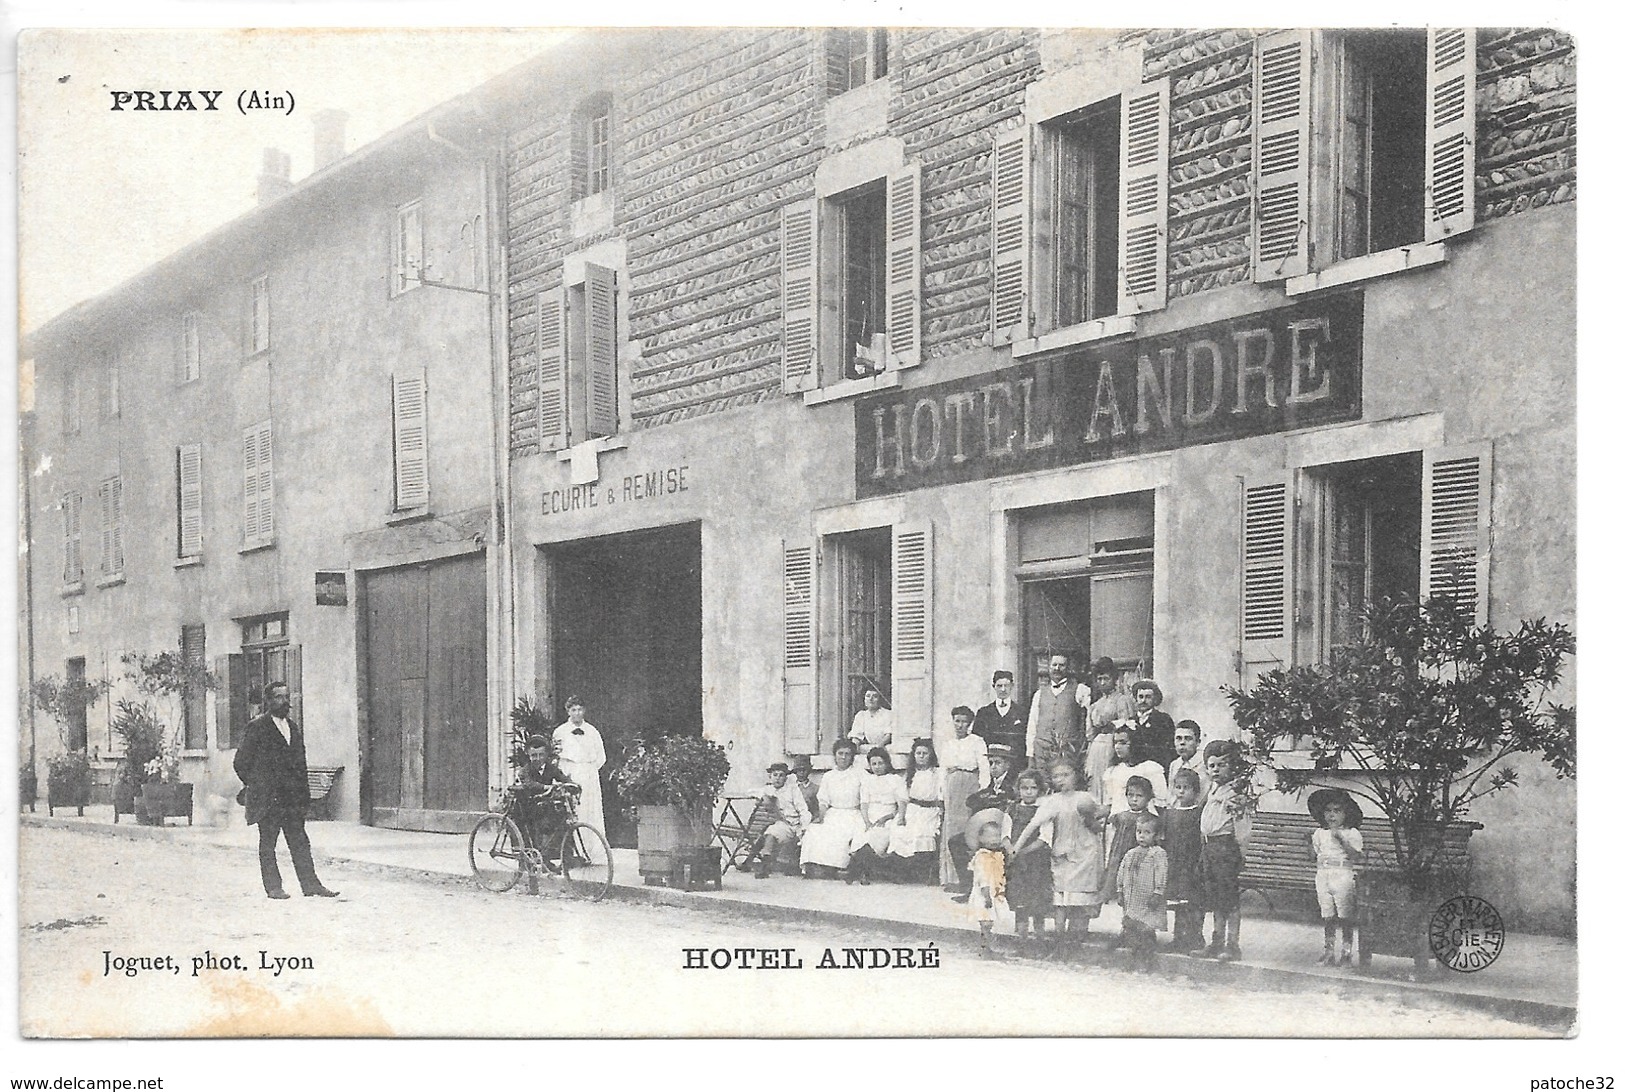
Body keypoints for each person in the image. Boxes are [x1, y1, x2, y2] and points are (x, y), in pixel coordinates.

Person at [232, 682, 339, 899]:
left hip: (291, 799)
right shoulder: (257, 727)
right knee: (268, 843)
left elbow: (300, 763)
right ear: (268, 701)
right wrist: (258, 785)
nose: (284, 701)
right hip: (269, 799)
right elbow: (241, 762)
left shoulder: (293, 727)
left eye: (286, 696)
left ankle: (311, 885)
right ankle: (274, 887)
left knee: (300, 842)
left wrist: (303, 795)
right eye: (278, 697)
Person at [1009, 760, 1103, 940]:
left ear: (1075, 776)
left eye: (1065, 775)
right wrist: (1015, 850)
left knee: (1082, 900)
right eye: (1056, 776)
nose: (1061, 780)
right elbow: (1032, 825)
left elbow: (1099, 825)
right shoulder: (1051, 801)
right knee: (1061, 900)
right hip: (1063, 853)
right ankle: (1060, 942)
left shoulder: (1085, 797)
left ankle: (1076, 939)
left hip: (1086, 854)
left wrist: (1093, 817)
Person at [1199, 739, 1250, 960]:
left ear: (1233, 767)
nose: (1216, 770)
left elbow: (1243, 829)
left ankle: (1232, 945)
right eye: (1212, 766)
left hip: (1226, 849)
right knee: (1215, 898)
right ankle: (1216, 941)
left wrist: (1240, 853)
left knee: (1229, 899)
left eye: (1222, 764)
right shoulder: (1213, 791)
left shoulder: (1235, 795)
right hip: (1210, 848)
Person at [945, 743, 1017, 895]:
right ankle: (969, 888)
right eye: (991, 763)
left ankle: (997, 888)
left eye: (998, 763)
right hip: (989, 830)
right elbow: (974, 800)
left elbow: (1007, 802)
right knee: (956, 841)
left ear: (1007, 765)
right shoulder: (993, 784)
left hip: (1005, 833)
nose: (993, 767)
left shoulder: (1013, 784)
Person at [1308, 787, 1365, 965]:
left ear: (1346, 813)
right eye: (1328, 811)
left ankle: (1346, 952)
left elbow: (1356, 856)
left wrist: (1341, 839)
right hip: (1323, 874)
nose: (1332, 815)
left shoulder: (1352, 833)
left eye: (1337, 811)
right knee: (1327, 914)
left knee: (1345, 915)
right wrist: (1307, 844)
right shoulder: (1319, 833)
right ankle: (1329, 951)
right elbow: (1313, 856)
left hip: (1342, 874)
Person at [937, 706, 990, 890]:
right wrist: (941, 794)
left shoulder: (977, 742)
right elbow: (943, 770)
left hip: (969, 786)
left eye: (964, 721)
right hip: (952, 787)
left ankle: (968, 880)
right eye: (957, 721)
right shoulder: (948, 744)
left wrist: (982, 791)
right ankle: (951, 878)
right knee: (950, 830)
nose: (960, 725)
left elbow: (984, 767)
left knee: (967, 829)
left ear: (970, 723)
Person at [553, 697, 608, 863]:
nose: (577, 713)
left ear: (584, 710)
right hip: (570, 773)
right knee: (574, 812)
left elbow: (601, 757)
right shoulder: (560, 732)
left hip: (589, 774)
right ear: (568, 711)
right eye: (573, 710)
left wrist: (588, 770)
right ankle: (574, 852)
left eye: (579, 709)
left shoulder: (592, 731)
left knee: (591, 811)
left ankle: (594, 852)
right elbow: (556, 756)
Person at [800, 738, 865, 878]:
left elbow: (865, 799)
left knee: (842, 834)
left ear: (852, 756)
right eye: (840, 753)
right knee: (816, 830)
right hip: (833, 813)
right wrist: (821, 817)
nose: (843, 757)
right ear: (835, 755)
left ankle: (840, 867)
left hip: (852, 813)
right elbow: (823, 800)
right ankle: (818, 865)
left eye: (847, 754)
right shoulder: (829, 776)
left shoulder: (860, 774)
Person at [883, 738, 945, 882]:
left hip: (930, 811)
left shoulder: (937, 773)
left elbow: (942, 795)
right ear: (914, 755)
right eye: (918, 753)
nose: (921, 756)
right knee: (901, 831)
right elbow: (903, 798)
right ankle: (902, 871)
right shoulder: (910, 774)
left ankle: (923, 870)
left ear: (931, 755)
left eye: (925, 753)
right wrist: (901, 816)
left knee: (922, 834)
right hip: (913, 809)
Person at [1002, 768, 1054, 937]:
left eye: (1033, 788)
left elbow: (1045, 838)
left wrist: (1023, 851)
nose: (1029, 792)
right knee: (1019, 895)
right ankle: (1021, 933)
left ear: (1039, 790)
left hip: (1037, 861)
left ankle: (1039, 933)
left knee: (1037, 895)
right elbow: (1005, 834)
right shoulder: (1012, 809)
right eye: (1025, 788)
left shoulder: (1044, 810)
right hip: (1017, 862)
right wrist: (1011, 850)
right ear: (1019, 789)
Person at [1116, 812, 1169, 973]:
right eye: (1139, 832)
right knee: (1131, 929)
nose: (1142, 836)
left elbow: (1162, 873)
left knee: (1146, 930)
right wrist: (1120, 890)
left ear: (1156, 835)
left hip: (1148, 899)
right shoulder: (1131, 853)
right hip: (1132, 899)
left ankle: (1146, 960)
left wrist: (1158, 892)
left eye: (1147, 832)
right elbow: (1121, 872)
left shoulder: (1158, 853)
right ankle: (1134, 957)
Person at [845, 748, 906, 885]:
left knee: (877, 836)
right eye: (874, 764)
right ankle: (863, 871)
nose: (877, 767)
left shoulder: (895, 779)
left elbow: (901, 803)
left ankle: (858, 869)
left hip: (888, 815)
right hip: (869, 815)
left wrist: (889, 817)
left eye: (880, 763)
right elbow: (864, 804)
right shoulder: (868, 780)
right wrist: (866, 821)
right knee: (861, 834)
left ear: (887, 763)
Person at [1162, 768, 1206, 952]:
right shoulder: (1170, 813)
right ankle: (1179, 937)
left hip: (1192, 864)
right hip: (1175, 864)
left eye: (1186, 788)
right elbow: (1165, 838)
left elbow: (1202, 839)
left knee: (1193, 902)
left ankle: (1195, 937)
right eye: (1178, 787)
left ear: (1195, 791)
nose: (1181, 791)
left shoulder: (1198, 813)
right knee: (1178, 903)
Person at [748, 761, 814, 879]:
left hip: (796, 824)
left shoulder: (792, 790)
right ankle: (765, 865)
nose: (778, 778)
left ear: (786, 777)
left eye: (781, 775)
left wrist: (804, 827)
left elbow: (803, 810)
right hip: (783, 824)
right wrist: (764, 797)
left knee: (805, 836)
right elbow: (751, 791)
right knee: (771, 833)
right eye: (775, 775)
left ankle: (799, 866)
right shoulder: (768, 789)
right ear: (770, 776)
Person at [516, 734, 578, 851]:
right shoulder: (525, 770)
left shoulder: (551, 768)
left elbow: (562, 777)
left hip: (544, 805)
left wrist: (573, 784)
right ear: (528, 755)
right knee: (535, 828)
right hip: (527, 807)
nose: (538, 758)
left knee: (562, 820)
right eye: (534, 755)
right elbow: (530, 784)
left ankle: (564, 856)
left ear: (546, 755)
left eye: (541, 755)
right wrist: (546, 787)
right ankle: (529, 859)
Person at [1102, 774, 1157, 906]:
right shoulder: (1121, 817)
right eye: (1130, 795)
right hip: (1121, 855)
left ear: (1148, 798)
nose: (1134, 799)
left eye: (1139, 796)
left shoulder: (1151, 819)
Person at [1083, 657, 1134, 795]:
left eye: (1106, 678)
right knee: (1095, 780)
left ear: (1114, 679)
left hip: (1113, 744)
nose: (1103, 682)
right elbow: (1090, 732)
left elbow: (1126, 724)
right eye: (1099, 679)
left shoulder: (1121, 700)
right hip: (1096, 747)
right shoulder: (1095, 704)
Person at [1026, 654, 1085, 775]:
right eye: (1054, 665)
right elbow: (1032, 725)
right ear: (1049, 668)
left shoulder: (1079, 690)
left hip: (1067, 752)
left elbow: (1085, 725)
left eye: (1062, 665)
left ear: (1068, 668)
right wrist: (1030, 754)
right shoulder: (1039, 694)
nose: (1057, 668)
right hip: (1042, 751)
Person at [964, 808, 1010, 958]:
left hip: (994, 891)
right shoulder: (982, 856)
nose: (994, 840)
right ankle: (985, 948)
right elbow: (982, 877)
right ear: (981, 839)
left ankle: (988, 947)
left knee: (990, 922)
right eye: (990, 837)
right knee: (985, 922)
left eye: (997, 836)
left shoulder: (997, 855)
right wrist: (987, 896)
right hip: (985, 894)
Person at [1101, 729, 1168, 816]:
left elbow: (1161, 804)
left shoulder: (1150, 768)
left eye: (1123, 743)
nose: (1117, 747)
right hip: (1119, 821)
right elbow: (1109, 804)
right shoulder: (1113, 771)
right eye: (1115, 742)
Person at [971, 670, 1027, 767]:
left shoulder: (1022, 712)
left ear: (1012, 686)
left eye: (1007, 686)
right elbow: (976, 740)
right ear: (994, 687)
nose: (1003, 689)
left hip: (1013, 764)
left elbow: (1024, 741)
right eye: (999, 686)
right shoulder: (983, 712)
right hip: (989, 764)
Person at [1125, 679, 1177, 771]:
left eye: (1148, 697)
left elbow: (1169, 750)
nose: (1143, 701)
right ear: (1136, 699)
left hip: (1156, 768)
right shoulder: (1130, 721)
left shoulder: (1163, 719)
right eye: (1140, 697)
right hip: (1134, 768)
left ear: (1155, 699)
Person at [847, 685, 896, 767]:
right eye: (868, 696)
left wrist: (877, 749)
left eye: (875, 696)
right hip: (868, 749)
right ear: (864, 699)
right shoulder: (861, 715)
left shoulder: (888, 714)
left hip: (884, 747)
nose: (871, 699)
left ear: (880, 699)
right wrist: (854, 749)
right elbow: (856, 737)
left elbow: (888, 735)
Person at [1165, 720, 1210, 806]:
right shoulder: (1174, 765)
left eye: (1188, 738)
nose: (1182, 743)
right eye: (1178, 738)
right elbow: (1171, 796)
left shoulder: (1205, 763)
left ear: (1198, 742)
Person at [790, 754, 820, 822]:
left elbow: (817, 810)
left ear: (809, 771)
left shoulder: (815, 789)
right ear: (795, 771)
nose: (801, 772)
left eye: (804, 770)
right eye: (799, 770)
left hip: (809, 821)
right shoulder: (790, 787)